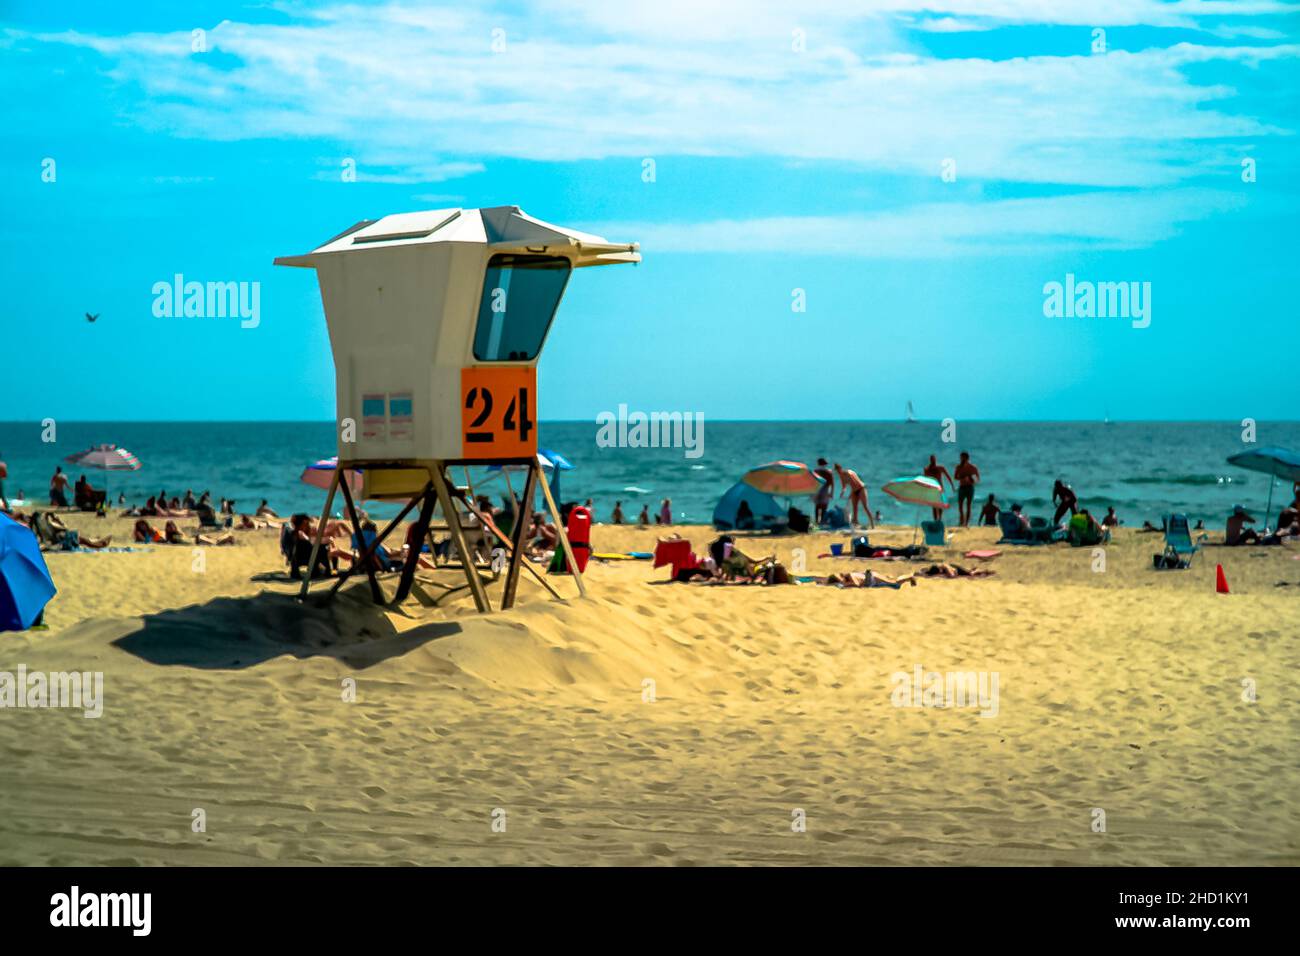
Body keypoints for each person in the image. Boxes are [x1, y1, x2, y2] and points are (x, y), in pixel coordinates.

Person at [834, 463, 874, 528]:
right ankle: (856, 523)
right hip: (854, 491)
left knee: (865, 506)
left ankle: (872, 523)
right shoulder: (841, 476)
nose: (838, 472)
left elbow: (855, 483)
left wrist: (850, 494)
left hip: (861, 489)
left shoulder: (849, 473)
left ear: (840, 469)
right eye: (837, 471)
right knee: (854, 508)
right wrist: (842, 492)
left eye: (838, 470)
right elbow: (844, 486)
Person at [953, 452, 980, 527]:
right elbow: (955, 477)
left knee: (968, 505)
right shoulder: (958, 467)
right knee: (960, 506)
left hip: (969, 487)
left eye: (962, 458)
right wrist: (962, 478)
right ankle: (961, 521)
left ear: (967, 458)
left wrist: (970, 479)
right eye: (961, 458)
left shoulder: (972, 467)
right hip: (962, 487)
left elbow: (977, 479)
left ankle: (966, 523)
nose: (961, 459)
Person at [813, 458, 834, 525]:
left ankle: (817, 521)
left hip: (817, 489)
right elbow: (832, 483)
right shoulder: (828, 472)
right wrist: (831, 492)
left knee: (817, 506)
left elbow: (812, 482)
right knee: (824, 506)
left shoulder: (815, 471)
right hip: (825, 489)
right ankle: (822, 521)